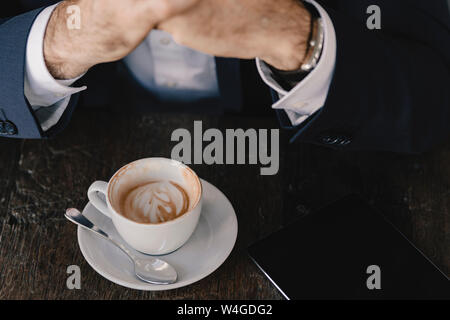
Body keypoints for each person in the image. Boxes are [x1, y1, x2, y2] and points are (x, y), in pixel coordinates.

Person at [0, 0, 449, 153]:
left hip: (308, 166)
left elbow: (435, 90)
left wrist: (297, 37)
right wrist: (59, 41)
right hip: (83, 139)